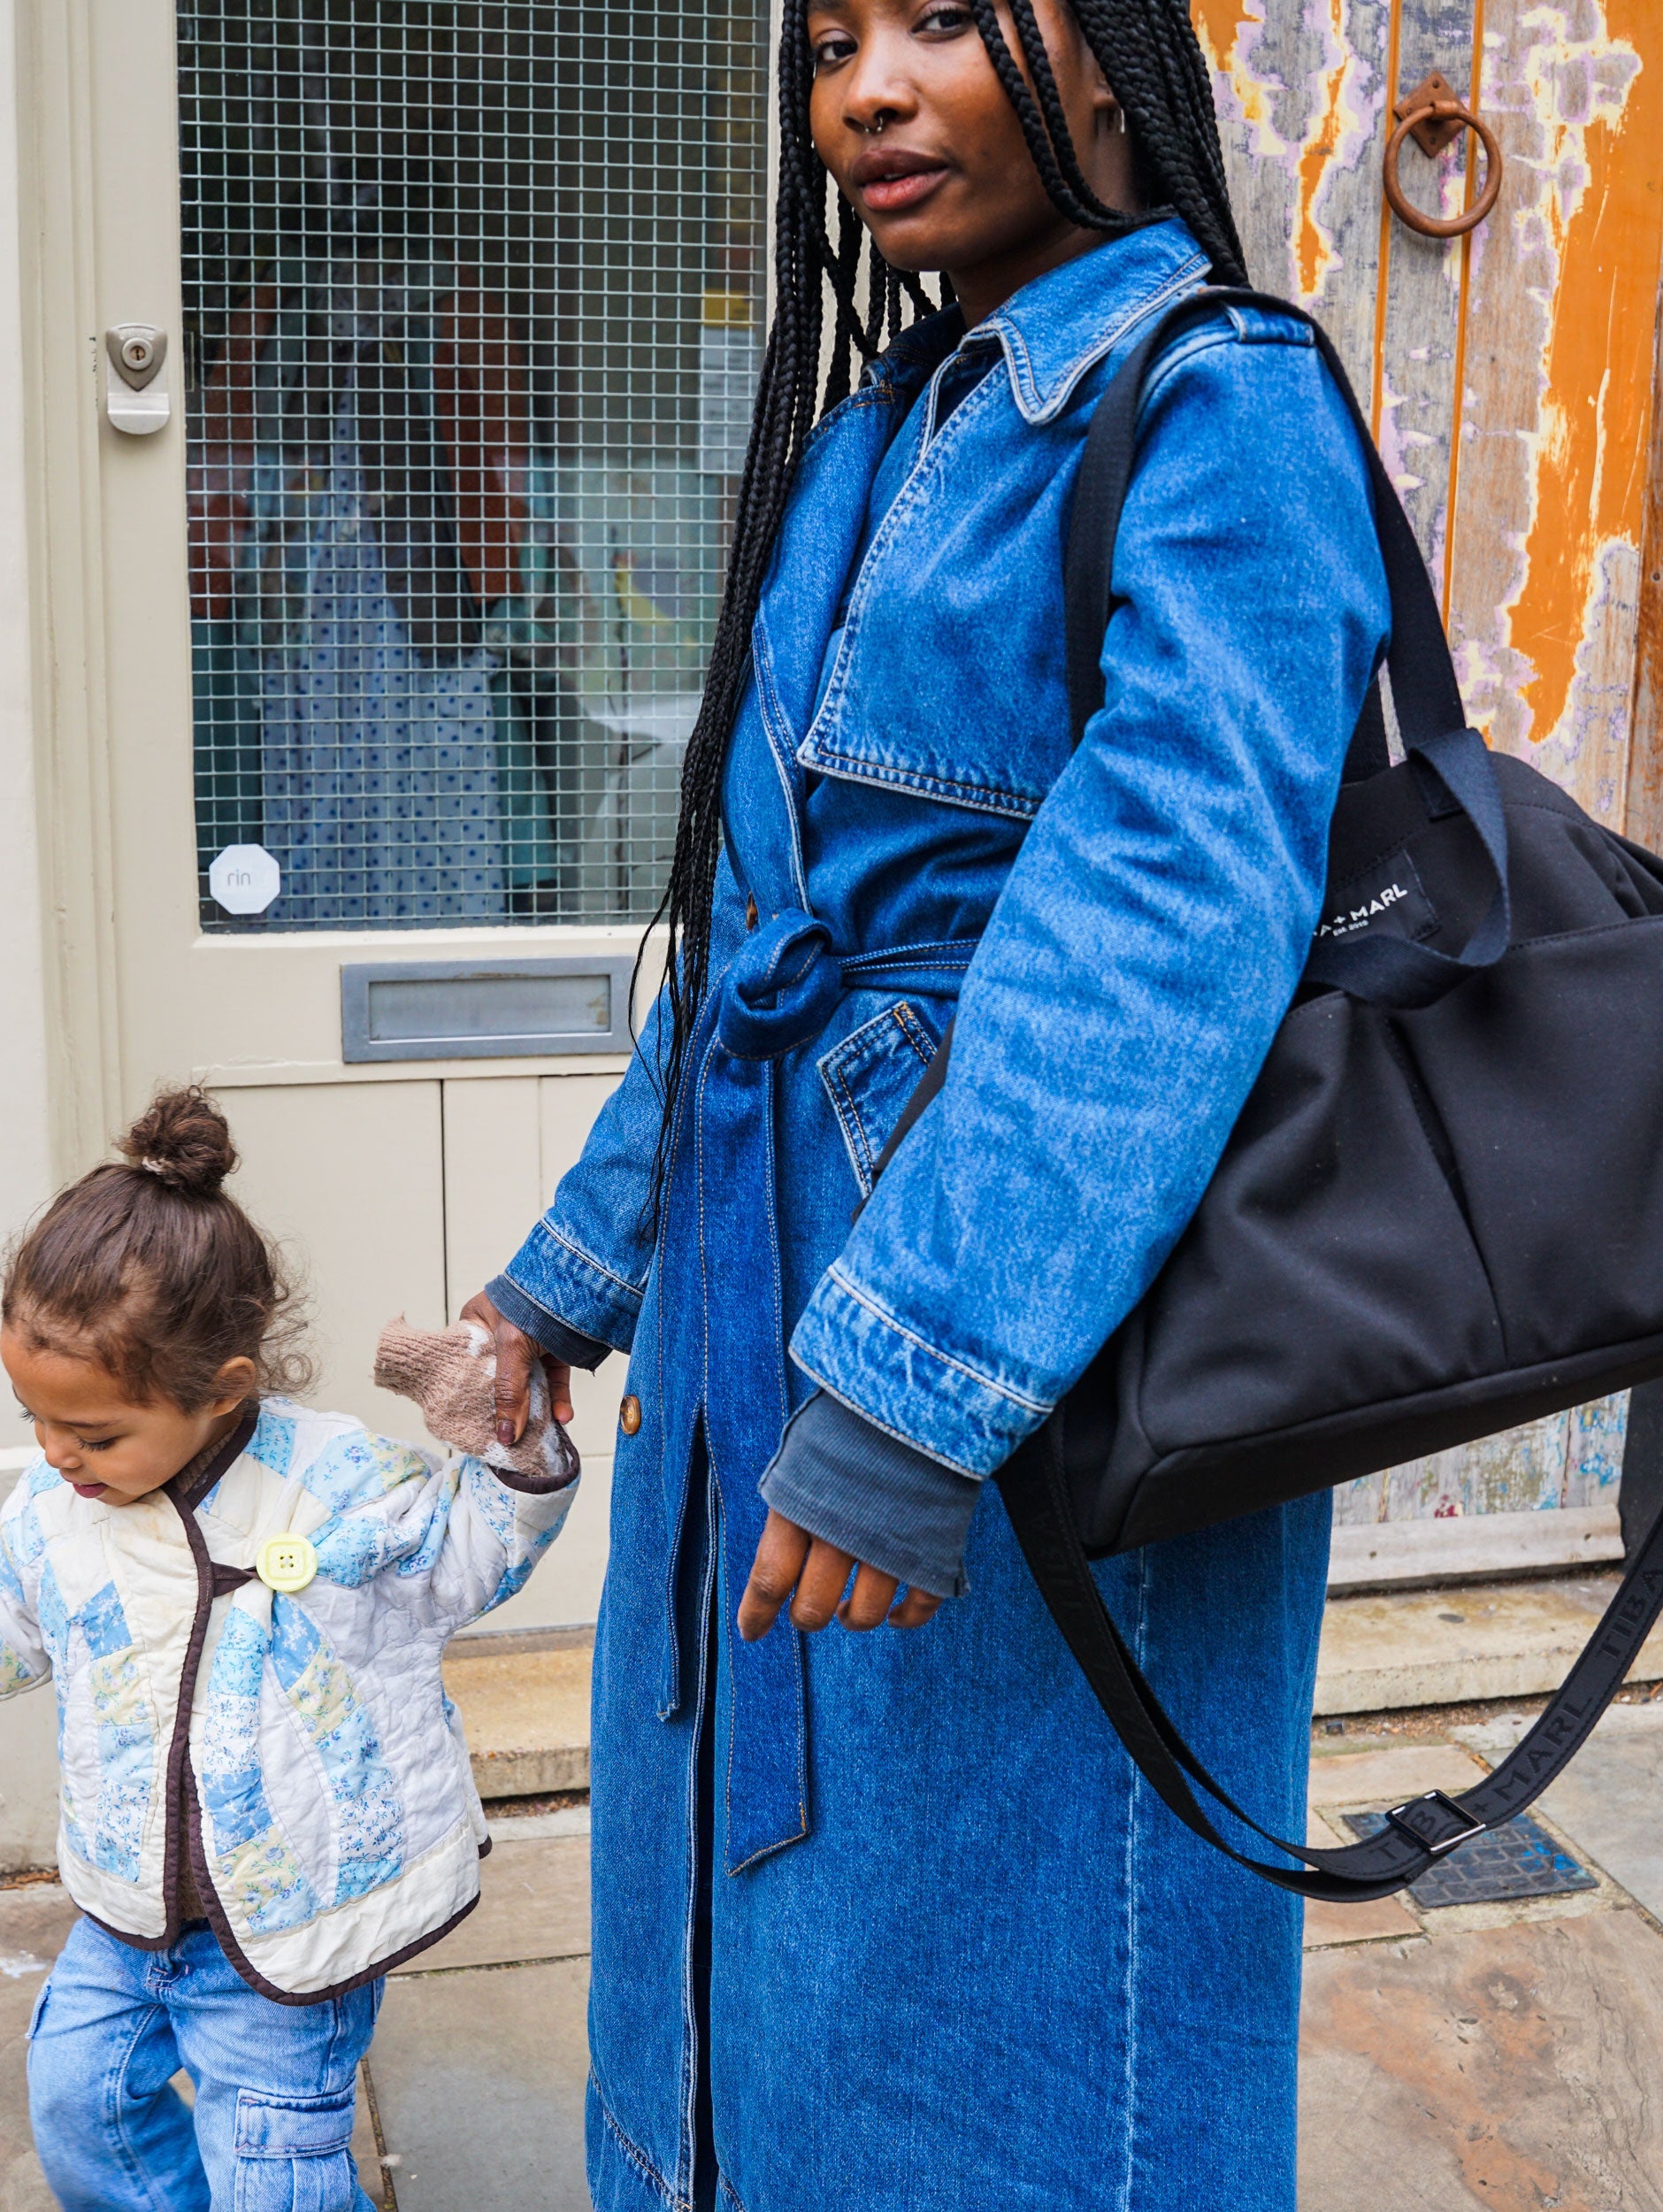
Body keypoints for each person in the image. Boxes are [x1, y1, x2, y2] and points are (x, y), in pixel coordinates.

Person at [466, 0, 1388, 2200]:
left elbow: (1165, 919)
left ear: (1112, 57)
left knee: (1016, 2008)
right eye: (827, 42)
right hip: (752, 1332)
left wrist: (913, 1388)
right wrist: (563, 1283)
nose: (863, 88)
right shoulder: (870, 433)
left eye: (942, 20)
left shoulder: (1217, 403)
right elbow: (753, 946)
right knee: (760, 1967)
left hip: (1031, 1357)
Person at [0, 1088, 579, 2211]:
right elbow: (16, 1620)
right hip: (126, 1910)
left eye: (94, 1432)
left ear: (222, 1390)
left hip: (294, 1926)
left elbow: (473, 1548)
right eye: (37, 1418)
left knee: (272, 2170)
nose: (57, 1453)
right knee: (76, 2104)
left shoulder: (335, 1484)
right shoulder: (53, 1510)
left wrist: (502, 1440)